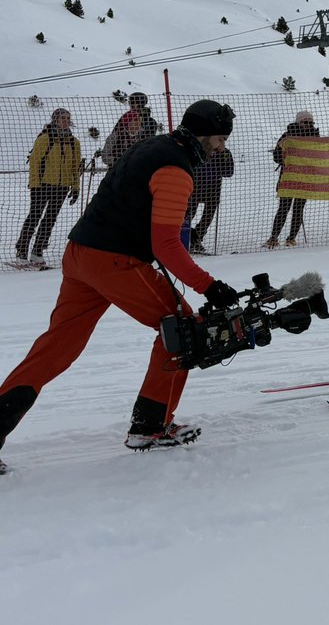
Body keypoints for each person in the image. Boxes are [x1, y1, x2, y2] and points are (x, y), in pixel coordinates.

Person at [0, 100, 238, 473]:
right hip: (115, 261)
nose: (221, 147)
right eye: (220, 139)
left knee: (57, 347)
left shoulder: (154, 146)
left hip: (80, 254)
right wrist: (208, 286)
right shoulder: (175, 169)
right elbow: (166, 244)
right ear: (201, 135)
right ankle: (151, 426)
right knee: (183, 330)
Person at [16, 108, 82, 267]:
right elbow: (35, 162)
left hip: (62, 186)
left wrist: (75, 187)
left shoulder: (74, 142)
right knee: (34, 217)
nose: (66, 120)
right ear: (55, 120)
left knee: (50, 219)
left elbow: (75, 166)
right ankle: (22, 250)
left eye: (68, 118)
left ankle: (37, 251)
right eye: (62, 118)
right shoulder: (45, 138)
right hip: (43, 185)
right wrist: (35, 184)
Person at [266, 111, 319, 248]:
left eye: (310, 122)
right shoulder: (287, 136)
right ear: (298, 122)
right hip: (289, 177)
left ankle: (291, 238)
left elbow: (319, 155)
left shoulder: (315, 137)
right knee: (284, 207)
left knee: (298, 208)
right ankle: (273, 237)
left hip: (305, 178)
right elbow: (277, 156)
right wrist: (287, 161)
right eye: (305, 122)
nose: (308, 125)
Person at [185, 146, 234, 254]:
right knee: (188, 215)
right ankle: (183, 237)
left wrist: (222, 162)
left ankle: (196, 239)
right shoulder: (198, 150)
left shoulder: (224, 153)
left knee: (207, 218)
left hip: (213, 190)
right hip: (195, 188)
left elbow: (229, 172)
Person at [99, 91, 159, 167]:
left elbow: (148, 142)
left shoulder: (150, 122)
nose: (132, 105)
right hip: (120, 159)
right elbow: (116, 133)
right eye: (131, 103)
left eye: (134, 103)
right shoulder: (127, 116)